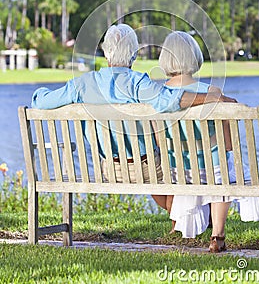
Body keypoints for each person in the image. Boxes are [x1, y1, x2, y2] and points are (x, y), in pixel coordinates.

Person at [31, 24, 236, 192]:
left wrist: (39, 92)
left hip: (110, 169)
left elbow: (41, 102)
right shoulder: (139, 83)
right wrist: (212, 96)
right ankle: (179, 223)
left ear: (105, 52)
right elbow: (170, 100)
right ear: (134, 54)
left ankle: (185, 222)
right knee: (173, 168)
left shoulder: (81, 84)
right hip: (148, 169)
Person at [158, 31, 234, 252]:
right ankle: (217, 234)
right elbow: (228, 145)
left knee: (215, 168)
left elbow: (159, 143)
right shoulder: (212, 92)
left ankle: (177, 226)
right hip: (213, 170)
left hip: (178, 170)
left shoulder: (159, 95)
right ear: (194, 57)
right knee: (224, 169)